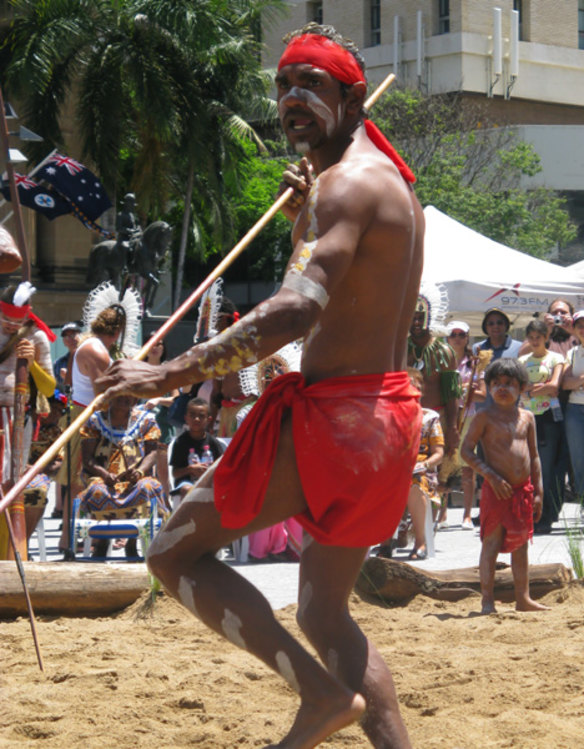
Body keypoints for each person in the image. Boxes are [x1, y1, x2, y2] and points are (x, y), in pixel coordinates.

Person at [97, 22, 424, 748]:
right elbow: (338, 290)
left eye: (311, 84)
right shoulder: (387, 183)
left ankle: (318, 696)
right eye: (282, 85)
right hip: (389, 422)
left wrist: (169, 373)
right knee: (324, 611)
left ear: (352, 94)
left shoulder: (345, 185)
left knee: (172, 555)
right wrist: (309, 207)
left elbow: (298, 307)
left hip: (340, 421)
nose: (291, 99)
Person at [461, 359, 548, 615]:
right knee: (491, 544)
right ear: (487, 387)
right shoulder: (483, 417)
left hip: (522, 490)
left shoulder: (528, 417)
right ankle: (487, 600)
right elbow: (466, 451)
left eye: (509, 384)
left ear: (522, 387)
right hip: (495, 490)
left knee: (521, 546)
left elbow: (534, 456)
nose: (502, 388)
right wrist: (489, 475)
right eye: (496, 383)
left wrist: (539, 491)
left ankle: (523, 598)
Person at [0, 282, 56, 560]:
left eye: (15, 321)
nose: (10, 326)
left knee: (11, 482)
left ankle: (9, 554)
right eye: (5, 320)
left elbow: (48, 388)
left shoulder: (36, 336)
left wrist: (31, 363)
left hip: (17, 419)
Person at [77, 394, 166, 558]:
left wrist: (139, 472)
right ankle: (102, 541)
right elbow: (87, 459)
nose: (124, 398)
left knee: (146, 487)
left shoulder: (146, 421)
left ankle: (132, 542)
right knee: (98, 491)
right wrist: (104, 474)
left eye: (129, 395)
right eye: (120, 394)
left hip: (136, 478)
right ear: (110, 397)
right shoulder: (95, 421)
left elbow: (152, 452)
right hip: (102, 477)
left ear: (135, 400)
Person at [377, 368, 444, 561]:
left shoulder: (430, 417)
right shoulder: (389, 417)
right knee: (383, 484)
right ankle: (385, 541)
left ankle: (420, 541)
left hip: (422, 469)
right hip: (395, 468)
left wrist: (424, 465)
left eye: (416, 385)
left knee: (415, 482)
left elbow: (438, 453)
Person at [519, 319, 565, 534]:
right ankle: (529, 513)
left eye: (539, 337)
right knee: (528, 468)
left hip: (548, 417)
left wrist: (531, 390)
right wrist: (537, 389)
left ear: (546, 338)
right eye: (531, 338)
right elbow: (517, 388)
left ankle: (545, 515)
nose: (535, 341)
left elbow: (554, 387)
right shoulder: (521, 360)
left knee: (545, 468)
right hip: (526, 417)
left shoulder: (556, 358)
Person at [445, 320, 486, 529]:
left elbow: (482, 395)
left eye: (462, 334)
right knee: (444, 465)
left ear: (467, 337)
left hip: (468, 416)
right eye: (454, 334)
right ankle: (442, 515)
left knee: (468, 468)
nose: (458, 338)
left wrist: (464, 390)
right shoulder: (441, 359)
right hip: (446, 416)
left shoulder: (475, 363)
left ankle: (467, 515)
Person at [142, 333, 179, 499]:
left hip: (162, 428)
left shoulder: (168, 371)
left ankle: (166, 507)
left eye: (160, 344)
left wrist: (158, 400)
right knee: (141, 472)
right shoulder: (137, 370)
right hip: (140, 430)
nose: (156, 347)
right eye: (152, 343)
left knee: (163, 473)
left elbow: (176, 399)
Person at [169, 398, 224, 501]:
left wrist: (209, 470)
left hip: (208, 481)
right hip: (186, 482)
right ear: (186, 418)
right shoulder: (180, 443)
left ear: (209, 419)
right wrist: (190, 469)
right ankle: (186, 517)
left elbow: (222, 466)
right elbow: (174, 473)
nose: (196, 419)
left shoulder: (213, 442)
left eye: (201, 416)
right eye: (192, 415)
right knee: (187, 489)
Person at [561, 310, 584, 506]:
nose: (583, 329)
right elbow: (565, 384)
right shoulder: (572, 353)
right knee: (578, 462)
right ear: (574, 330)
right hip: (575, 410)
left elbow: (571, 382)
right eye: (580, 326)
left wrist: (576, 381)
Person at [53, 322, 81, 390]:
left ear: (81, 336)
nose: (70, 339)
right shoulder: (58, 363)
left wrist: (69, 377)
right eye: (66, 336)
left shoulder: (89, 357)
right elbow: (55, 387)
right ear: (64, 341)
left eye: (73, 335)